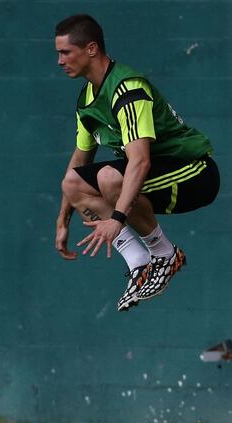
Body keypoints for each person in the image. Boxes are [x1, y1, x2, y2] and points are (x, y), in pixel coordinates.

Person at [54, 14, 220, 311]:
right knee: (72, 182)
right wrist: (62, 220)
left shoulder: (127, 90)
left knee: (108, 178)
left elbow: (140, 162)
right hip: (154, 173)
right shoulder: (87, 101)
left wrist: (116, 220)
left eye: (65, 52)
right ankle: (139, 262)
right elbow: (80, 161)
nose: (60, 61)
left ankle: (164, 254)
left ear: (91, 49)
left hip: (194, 173)